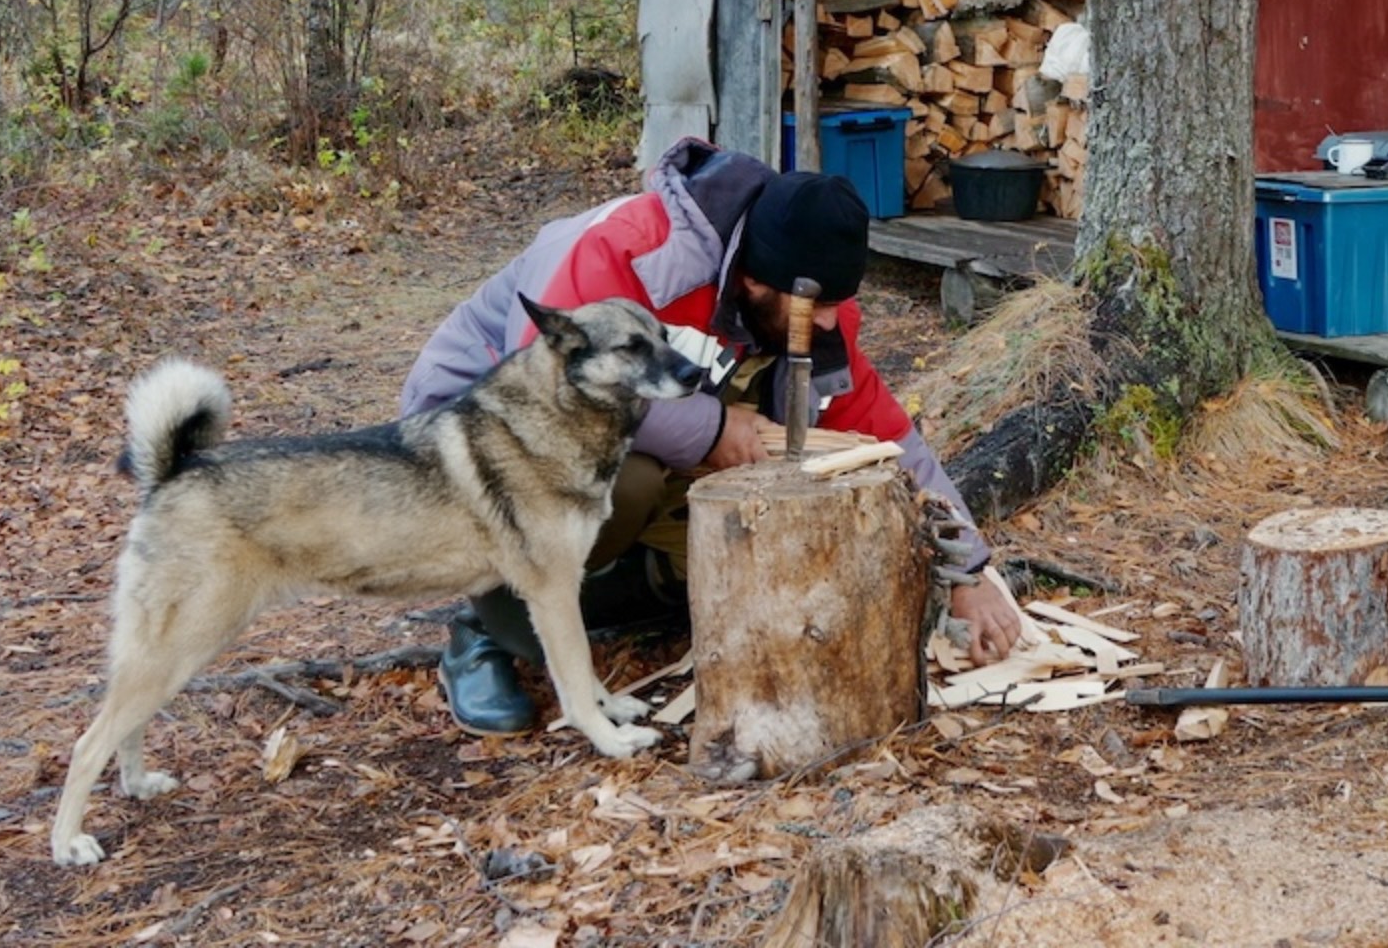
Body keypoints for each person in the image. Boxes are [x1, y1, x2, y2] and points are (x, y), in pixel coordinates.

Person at [402, 137, 1023, 736]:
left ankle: (634, 596)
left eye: (840, 301)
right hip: (472, 445)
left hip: (606, 422)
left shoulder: (806, 301)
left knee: (762, 529)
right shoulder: (634, 256)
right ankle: (486, 625)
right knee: (629, 479)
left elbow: (885, 437)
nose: (834, 321)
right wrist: (714, 427)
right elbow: (553, 385)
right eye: (820, 305)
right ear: (755, 281)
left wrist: (967, 573)